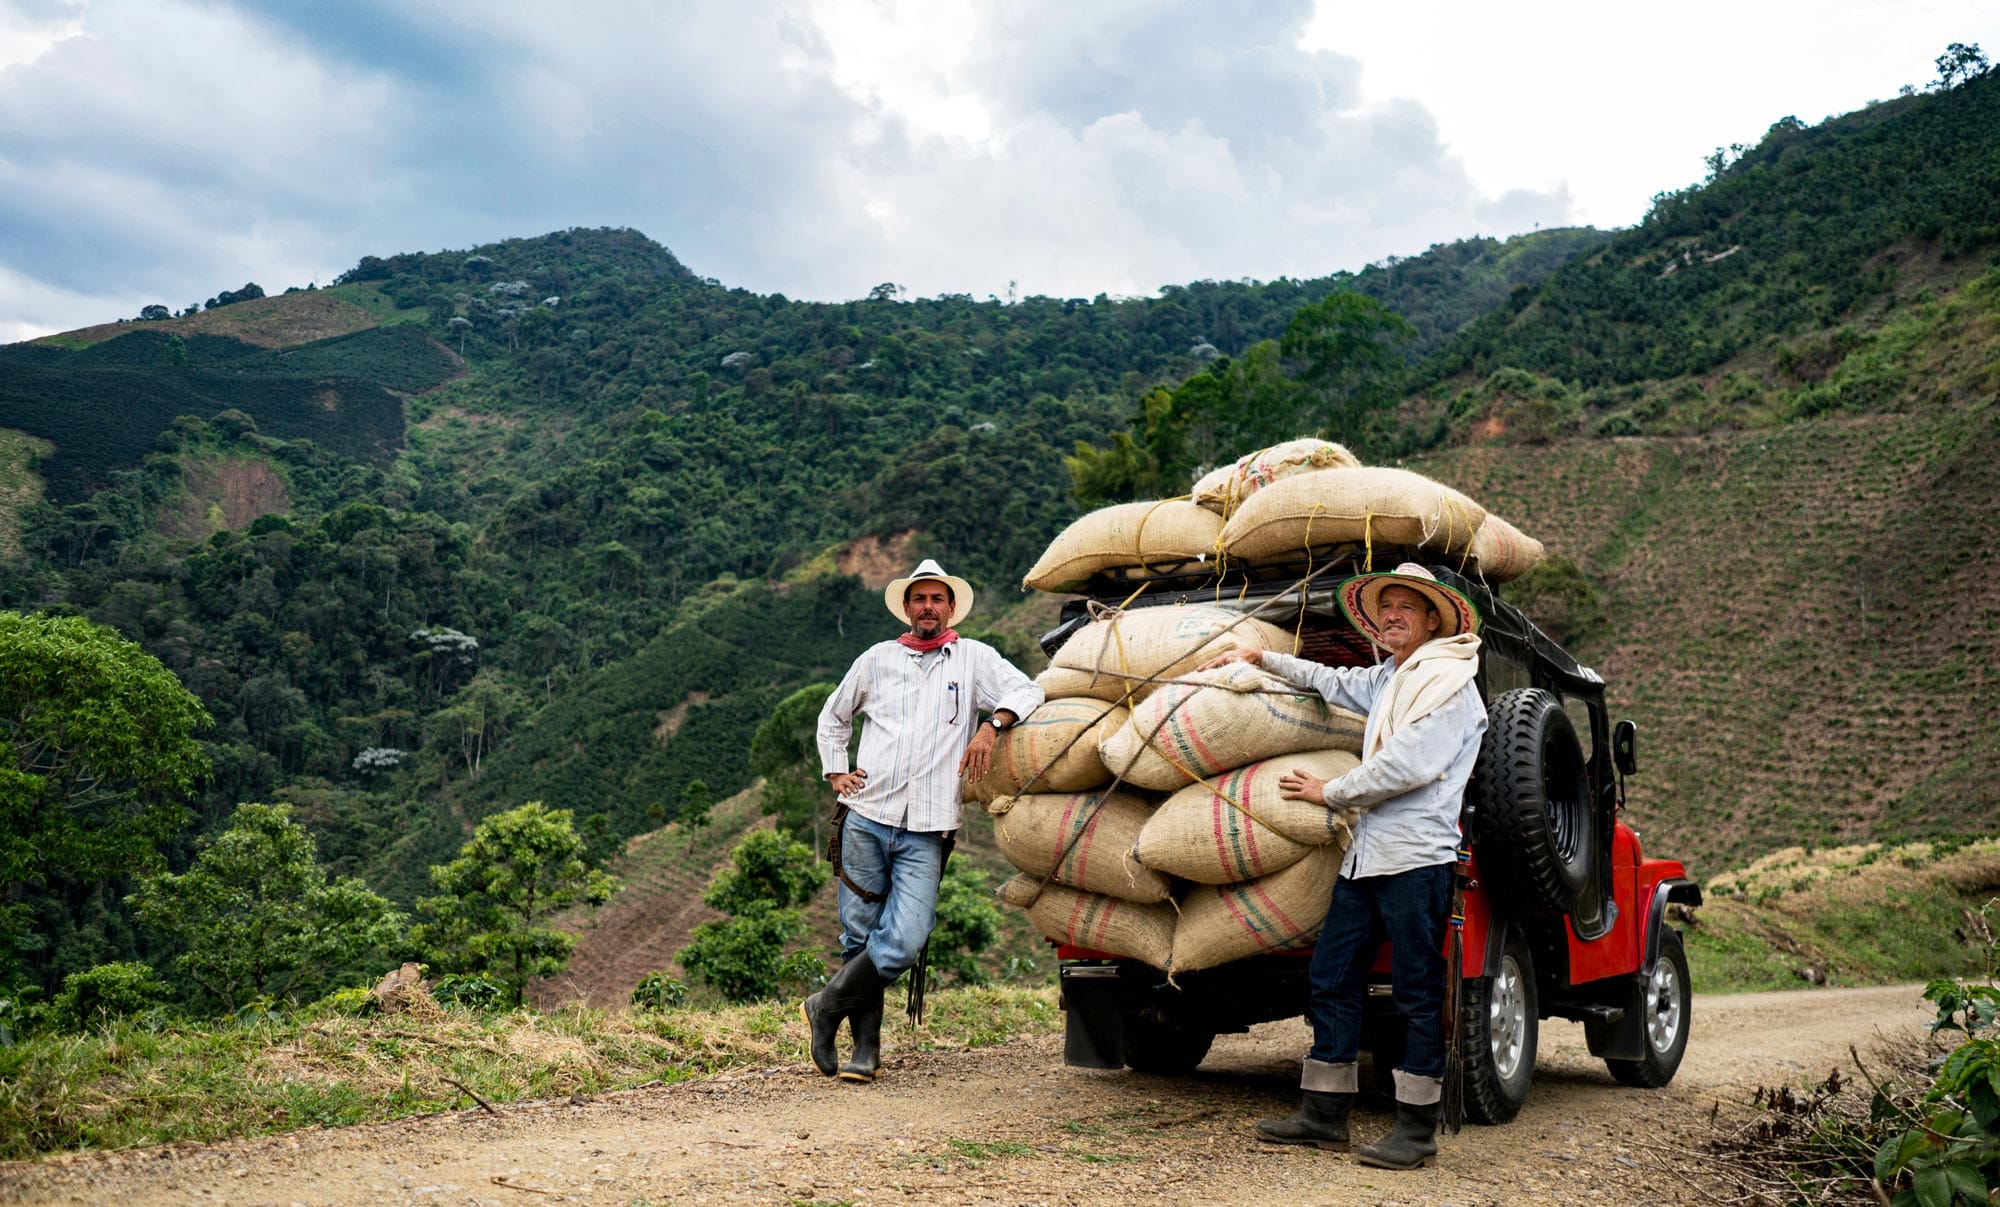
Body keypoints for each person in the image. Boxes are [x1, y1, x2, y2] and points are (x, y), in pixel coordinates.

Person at [1200, 562, 1486, 1170]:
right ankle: (1324, 1114)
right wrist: (1263, 659)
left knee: (1414, 992)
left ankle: (1416, 1130)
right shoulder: (1390, 678)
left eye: (1406, 606)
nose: (1392, 616)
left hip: (1416, 858)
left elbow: (1407, 766)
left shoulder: (1448, 685)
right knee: (1330, 978)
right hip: (1365, 856)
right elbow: (1332, 682)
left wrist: (1328, 792)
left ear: (1434, 620)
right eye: (1385, 606)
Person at [806, 558, 1043, 1083]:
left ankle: (825, 1005)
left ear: (951, 607)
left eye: (937, 599)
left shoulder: (974, 660)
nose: (928, 607)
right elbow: (833, 716)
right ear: (907, 608)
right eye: (919, 599)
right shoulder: (877, 659)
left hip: (928, 827)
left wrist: (992, 727)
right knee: (859, 935)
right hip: (867, 816)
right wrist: (836, 773)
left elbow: (1028, 689)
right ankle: (865, 1052)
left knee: (906, 938)